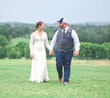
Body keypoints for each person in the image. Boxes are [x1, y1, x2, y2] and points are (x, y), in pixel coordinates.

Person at [49, 18, 80, 85]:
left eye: (60, 23)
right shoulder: (58, 32)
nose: (59, 24)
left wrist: (77, 50)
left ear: (64, 23)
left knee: (67, 66)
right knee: (58, 65)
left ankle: (66, 80)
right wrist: (51, 49)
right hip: (59, 51)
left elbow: (76, 42)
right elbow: (53, 41)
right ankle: (60, 76)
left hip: (68, 51)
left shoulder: (72, 31)